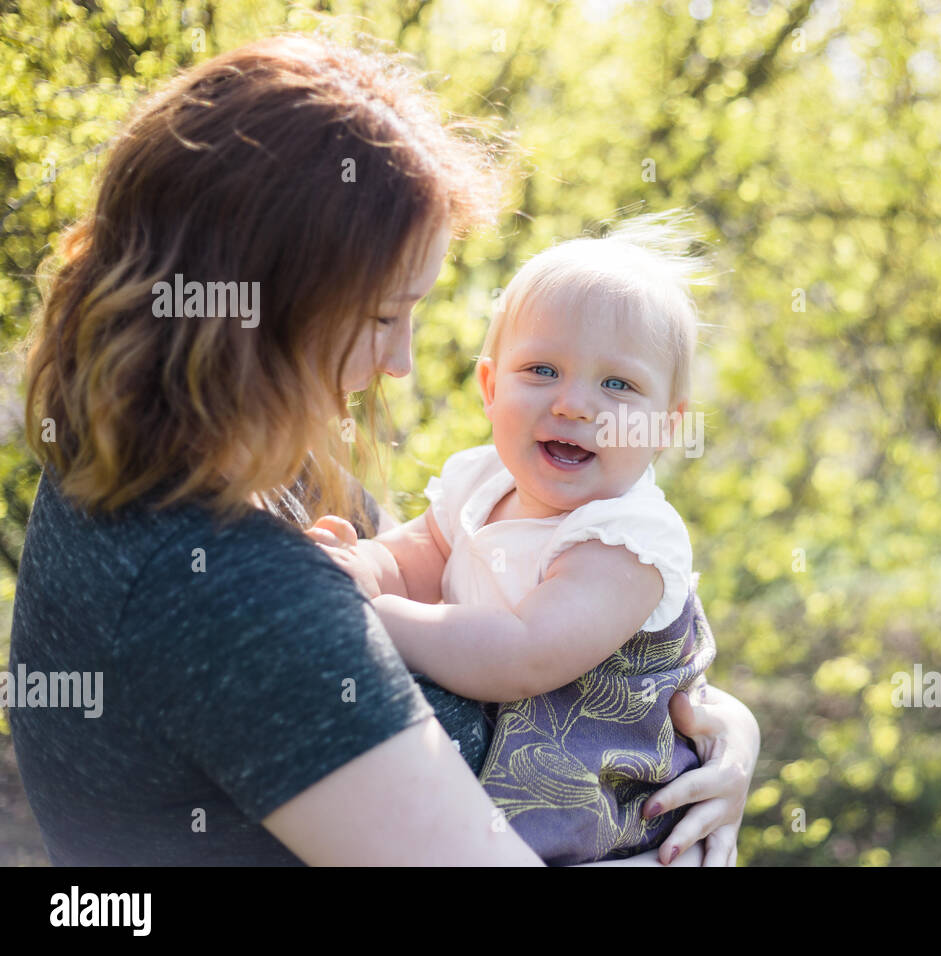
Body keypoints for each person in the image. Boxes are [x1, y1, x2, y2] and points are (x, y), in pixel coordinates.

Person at [6, 33, 758, 866]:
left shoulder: (254, 457)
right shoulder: (224, 591)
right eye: (378, 317)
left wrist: (716, 725)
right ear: (253, 306)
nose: (399, 361)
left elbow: (496, 604)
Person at [305, 214, 716, 864]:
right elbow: (415, 557)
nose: (575, 404)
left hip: (602, 833)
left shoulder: (627, 541)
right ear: (491, 389)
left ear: (668, 426)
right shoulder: (482, 480)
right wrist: (358, 568)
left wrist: (369, 613)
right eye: (542, 370)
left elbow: (523, 656)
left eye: (618, 385)